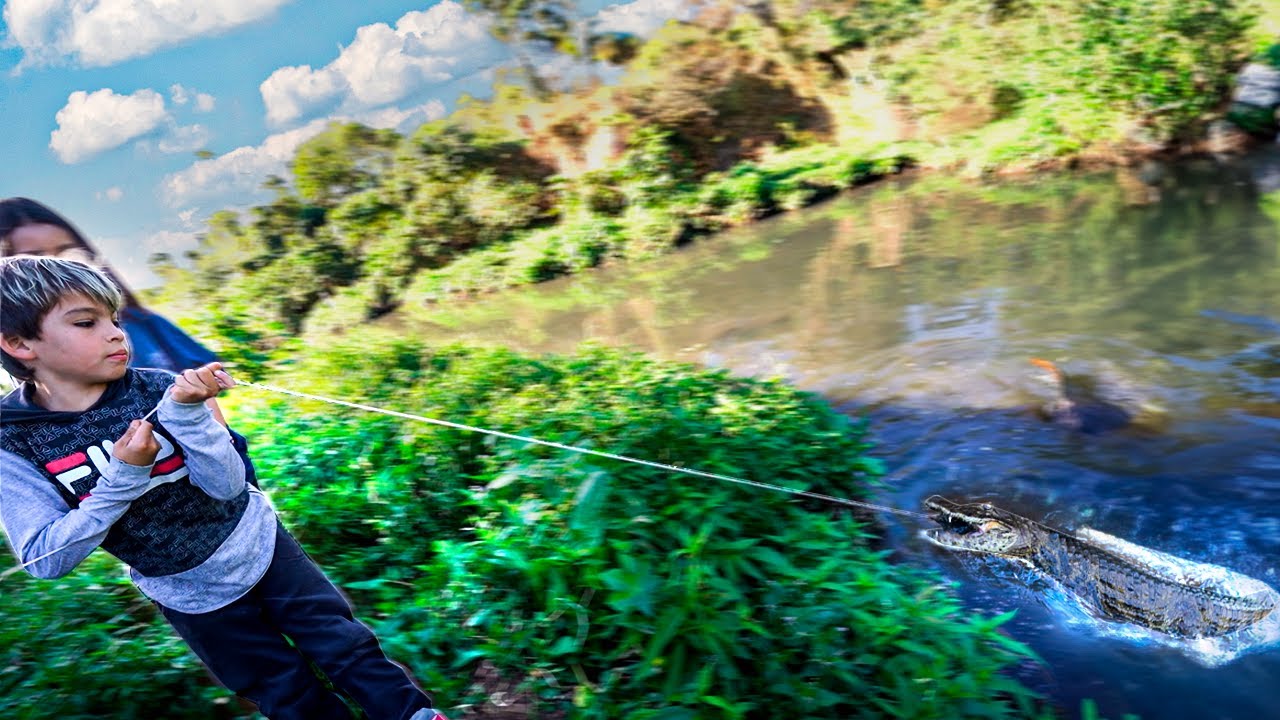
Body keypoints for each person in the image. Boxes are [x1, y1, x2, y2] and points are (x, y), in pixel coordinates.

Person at [0, 256, 446, 720]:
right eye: (87, 322)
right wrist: (124, 477)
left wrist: (192, 416)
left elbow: (228, 486)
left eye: (114, 320)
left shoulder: (164, 390)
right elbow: (45, 559)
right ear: (18, 342)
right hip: (188, 595)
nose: (116, 333)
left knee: (345, 647)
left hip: (260, 546)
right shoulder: (12, 440)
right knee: (284, 692)